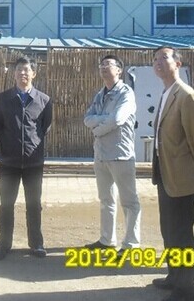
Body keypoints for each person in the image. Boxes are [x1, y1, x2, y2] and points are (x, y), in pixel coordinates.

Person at [151, 46, 194, 301]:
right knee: (169, 230)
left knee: (182, 233)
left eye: (164, 58)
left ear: (178, 63)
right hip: (165, 175)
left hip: (181, 178)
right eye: (155, 59)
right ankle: (174, 276)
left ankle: (186, 289)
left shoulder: (185, 95)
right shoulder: (166, 93)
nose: (158, 62)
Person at [0, 56, 52, 260]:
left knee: (34, 204)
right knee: (6, 205)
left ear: (34, 73)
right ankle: (3, 244)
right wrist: (11, 143)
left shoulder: (44, 100)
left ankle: (36, 244)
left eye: (26, 70)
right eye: (19, 69)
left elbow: (45, 127)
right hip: (9, 161)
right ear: (14, 73)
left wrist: (31, 144)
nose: (22, 73)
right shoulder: (3, 98)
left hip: (34, 162)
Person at [84, 55, 141, 255]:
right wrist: (101, 120)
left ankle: (131, 244)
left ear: (119, 70)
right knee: (106, 199)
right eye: (101, 64)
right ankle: (107, 240)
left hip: (120, 154)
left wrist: (98, 129)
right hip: (101, 154)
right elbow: (87, 118)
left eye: (108, 64)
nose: (103, 67)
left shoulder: (126, 93)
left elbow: (117, 119)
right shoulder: (100, 94)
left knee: (129, 201)